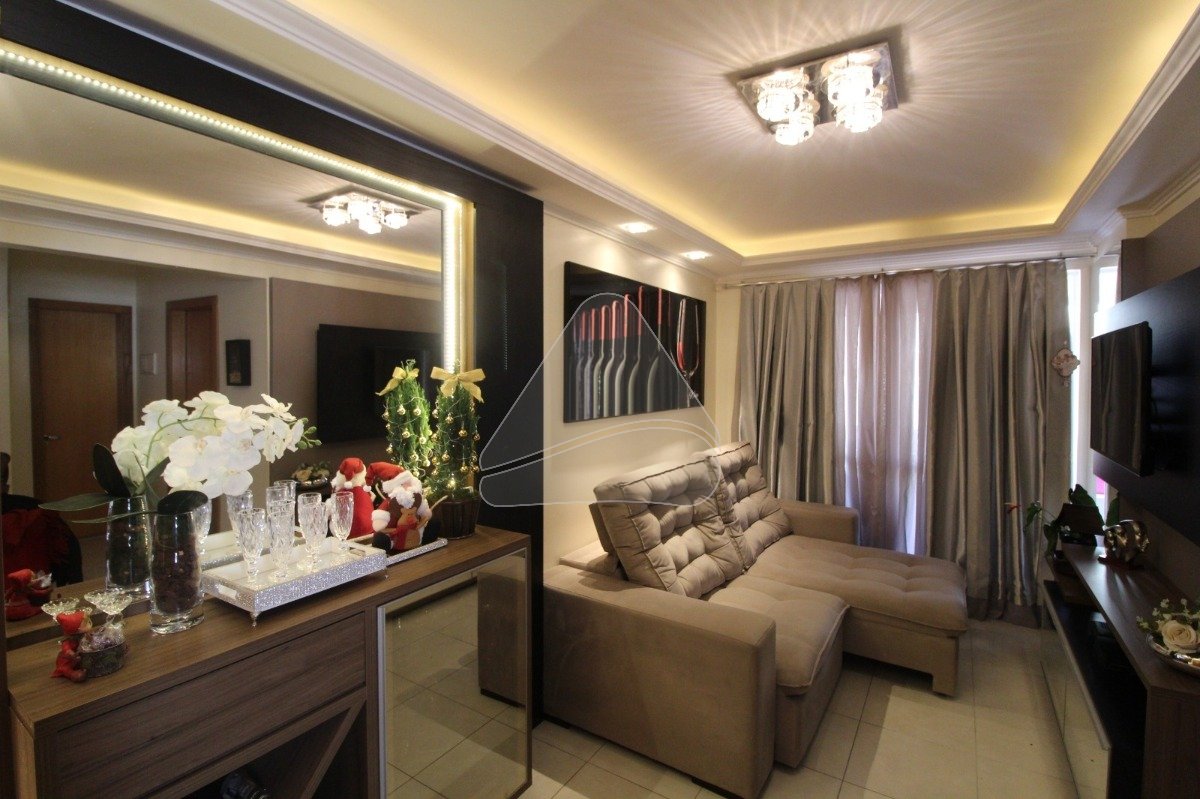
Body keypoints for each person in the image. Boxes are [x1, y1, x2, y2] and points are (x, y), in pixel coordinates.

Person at [2, 451, 82, 586]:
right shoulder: (38, 511)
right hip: (39, 590)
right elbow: (70, 556)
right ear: (6, 486)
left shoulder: (35, 514)